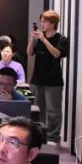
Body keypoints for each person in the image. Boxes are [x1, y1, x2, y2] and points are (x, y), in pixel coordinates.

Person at [27, 9, 68, 142]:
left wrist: (44, 40)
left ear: (53, 23)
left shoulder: (61, 39)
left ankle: (53, 137)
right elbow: (29, 53)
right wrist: (32, 40)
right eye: (41, 22)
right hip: (38, 78)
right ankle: (39, 134)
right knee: (38, 109)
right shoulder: (39, 38)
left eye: (44, 22)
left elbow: (57, 54)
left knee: (53, 110)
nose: (42, 24)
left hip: (53, 80)